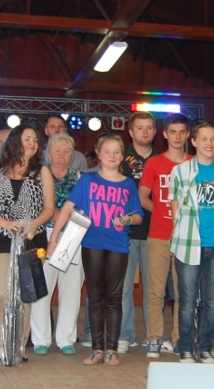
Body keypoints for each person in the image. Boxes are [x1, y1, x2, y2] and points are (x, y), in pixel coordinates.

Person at [48, 134, 142, 366]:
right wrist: (53, 240)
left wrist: (128, 220)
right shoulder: (87, 181)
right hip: (91, 244)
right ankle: (97, 348)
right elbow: (67, 209)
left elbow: (139, 216)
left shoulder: (129, 184)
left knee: (114, 297)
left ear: (122, 156)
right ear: (98, 154)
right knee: (96, 296)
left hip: (118, 246)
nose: (112, 156)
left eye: (116, 152)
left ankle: (112, 349)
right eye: (107, 151)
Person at [0, 124, 55, 363]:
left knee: (25, 294)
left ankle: (19, 346)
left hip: (33, 239)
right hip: (2, 238)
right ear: (14, 141)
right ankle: (1, 345)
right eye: (27, 139)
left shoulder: (42, 171)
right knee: (2, 294)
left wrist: (33, 226)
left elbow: (49, 209)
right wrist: (5, 223)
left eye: (35, 140)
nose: (32, 143)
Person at [169, 120, 214, 363]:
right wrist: (180, 234)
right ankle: (186, 346)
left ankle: (204, 347)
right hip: (189, 245)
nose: (209, 143)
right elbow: (175, 205)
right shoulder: (180, 171)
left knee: (212, 302)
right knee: (187, 301)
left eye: (213, 138)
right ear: (194, 141)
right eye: (204, 138)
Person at [139, 114, 192, 358]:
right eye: (173, 132)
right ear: (165, 134)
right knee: (155, 290)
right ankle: (154, 338)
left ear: (188, 134)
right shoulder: (154, 163)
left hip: (186, 238)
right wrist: (161, 211)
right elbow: (142, 197)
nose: (177, 136)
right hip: (158, 235)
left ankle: (180, 339)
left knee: (183, 292)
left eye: (182, 131)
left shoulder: (194, 163)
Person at [29, 133, 84, 355]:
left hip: (73, 237)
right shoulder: (37, 176)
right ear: (48, 154)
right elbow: (36, 207)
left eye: (67, 151)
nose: (62, 155)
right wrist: (58, 216)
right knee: (41, 289)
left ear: (72, 155)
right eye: (58, 150)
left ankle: (66, 339)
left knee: (71, 290)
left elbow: (85, 208)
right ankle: (40, 339)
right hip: (44, 235)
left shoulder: (81, 178)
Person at [118, 111, 158, 353]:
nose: (145, 131)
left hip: (156, 232)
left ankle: (154, 336)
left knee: (154, 290)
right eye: (140, 127)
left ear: (155, 131)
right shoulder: (119, 158)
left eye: (149, 127)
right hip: (125, 233)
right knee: (123, 287)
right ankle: (125, 335)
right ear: (131, 131)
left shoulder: (162, 159)